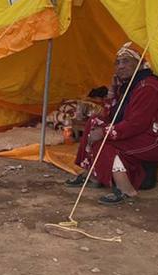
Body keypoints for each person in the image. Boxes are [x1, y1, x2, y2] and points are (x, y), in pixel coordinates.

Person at [65, 42, 158, 205]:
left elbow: (136, 124)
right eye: (118, 62)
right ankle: (92, 174)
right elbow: (110, 114)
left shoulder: (147, 86)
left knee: (103, 142)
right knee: (95, 121)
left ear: (139, 63)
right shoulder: (128, 85)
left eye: (126, 61)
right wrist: (112, 91)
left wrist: (105, 132)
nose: (120, 66)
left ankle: (126, 189)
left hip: (150, 139)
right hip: (136, 133)